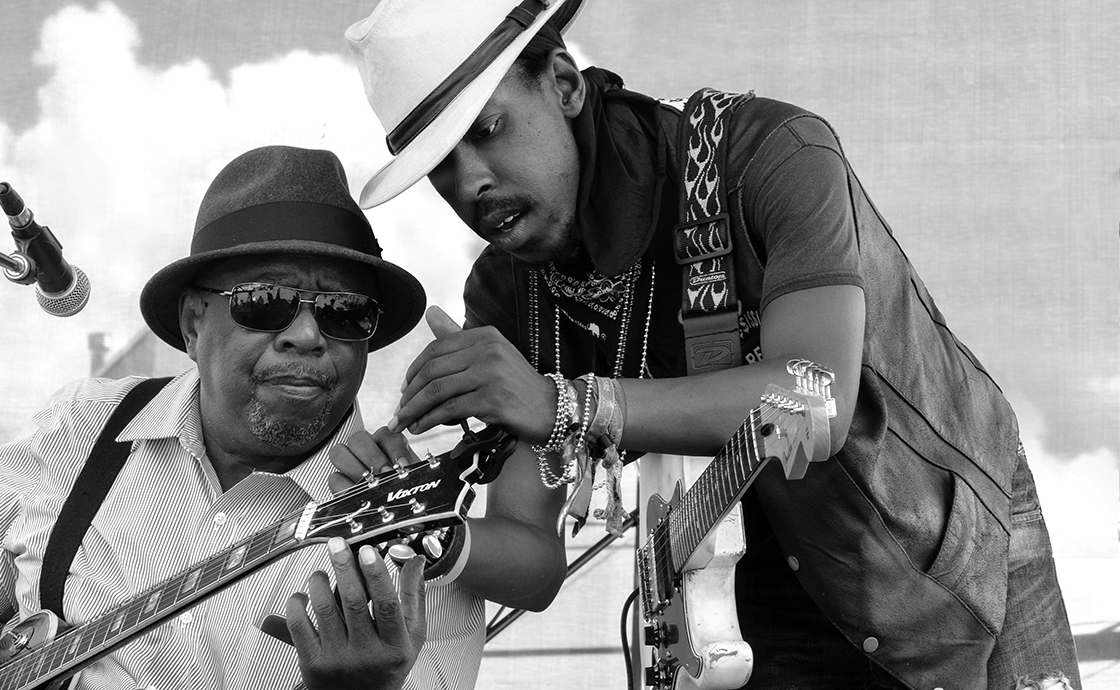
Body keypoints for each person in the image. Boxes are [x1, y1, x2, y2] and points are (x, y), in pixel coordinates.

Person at [342, 2, 1082, 689]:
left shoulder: (770, 154)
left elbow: (813, 403)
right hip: (749, 607)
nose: (471, 181)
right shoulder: (506, 298)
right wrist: (428, 525)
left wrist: (565, 403)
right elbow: (533, 565)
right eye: (440, 165)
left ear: (563, 83)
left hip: (948, 549)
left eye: (488, 130)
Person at [0, 146, 565, 690]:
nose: (305, 335)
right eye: (265, 301)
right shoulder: (80, 430)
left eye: (343, 311)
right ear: (192, 324)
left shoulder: (412, 542)